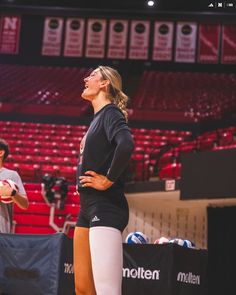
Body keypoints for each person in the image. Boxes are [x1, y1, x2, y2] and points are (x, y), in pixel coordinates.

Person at [73, 65, 134, 295]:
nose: (86, 78)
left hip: (106, 205)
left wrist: (107, 180)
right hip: (86, 207)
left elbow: (126, 145)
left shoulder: (111, 113)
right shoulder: (98, 118)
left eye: (92, 76)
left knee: (107, 291)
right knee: (83, 288)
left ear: (104, 84)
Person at [0, 138, 29, 233]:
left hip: (3, 233)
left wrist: (13, 193)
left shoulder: (12, 175)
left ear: (1, 153)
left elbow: (25, 205)